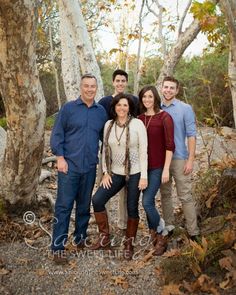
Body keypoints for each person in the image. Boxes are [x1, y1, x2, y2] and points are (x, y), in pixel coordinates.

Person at [50, 74, 107, 264]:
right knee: (64, 207)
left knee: (83, 206)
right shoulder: (68, 109)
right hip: (69, 167)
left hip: (90, 166)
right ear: (81, 88)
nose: (90, 89)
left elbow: (105, 139)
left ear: (96, 88)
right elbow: (57, 134)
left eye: (93, 86)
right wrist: (60, 158)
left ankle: (80, 238)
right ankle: (58, 247)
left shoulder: (101, 112)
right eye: (86, 86)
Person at [91, 93, 148, 260]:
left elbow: (144, 152)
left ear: (130, 107)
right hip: (115, 173)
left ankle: (129, 243)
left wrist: (144, 176)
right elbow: (105, 150)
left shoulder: (138, 124)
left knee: (131, 207)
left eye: (125, 105)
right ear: (114, 107)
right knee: (97, 200)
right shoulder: (109, 124)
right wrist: (105, 173)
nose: (122, 108)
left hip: (135, 172)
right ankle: (104, 238)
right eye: (119, 105)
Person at [98, 69, 139, 231]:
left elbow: (138, 122)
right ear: (113, 82)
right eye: (118, 81)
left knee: (126, 191)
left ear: (126, 83)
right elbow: (100, 126)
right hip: (108, 151)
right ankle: (104, 224)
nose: (120, 83)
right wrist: (108, 143)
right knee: (104, 186)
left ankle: (123, 223)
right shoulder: (104, 102)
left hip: (127, 154)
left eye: (123, 81)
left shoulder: (133, 100)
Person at [160, 76, 200, 240]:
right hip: (161, 161)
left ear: (176, 90)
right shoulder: (157, 108)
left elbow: (191, 135)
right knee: (165, 194)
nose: (168, 90)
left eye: (171, 88)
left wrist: (190, 159)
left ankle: (193, 232)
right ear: (161, 88)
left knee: (185, 195)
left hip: (179, 158)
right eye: (166, 87)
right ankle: (169, 227)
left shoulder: (185, 108)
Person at [138, 85, 175, 255]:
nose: (147, 100)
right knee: (148, 202)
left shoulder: (164, 117)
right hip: (141, 168)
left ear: (155, 98)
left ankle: (161, 233)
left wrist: (166, 169)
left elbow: (169, 146)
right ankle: (154, 232)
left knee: (146, 201)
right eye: (144, 97)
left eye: (150, 97)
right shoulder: (138, 119)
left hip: (157, 167)